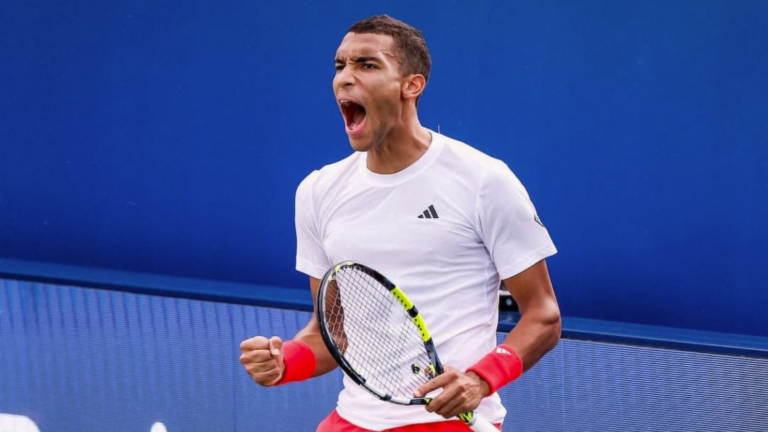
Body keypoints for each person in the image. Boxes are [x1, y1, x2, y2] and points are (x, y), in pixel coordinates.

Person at [240, 14, 561, 432]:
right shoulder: (318, 191)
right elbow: (329, 336)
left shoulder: (484, 180)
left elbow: (544, 315)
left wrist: (481, 380)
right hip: (351, 421)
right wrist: (284, 363)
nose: (345, 79)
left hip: (448, 424)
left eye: (367, 65)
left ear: (412, 85)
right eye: (340, 66)